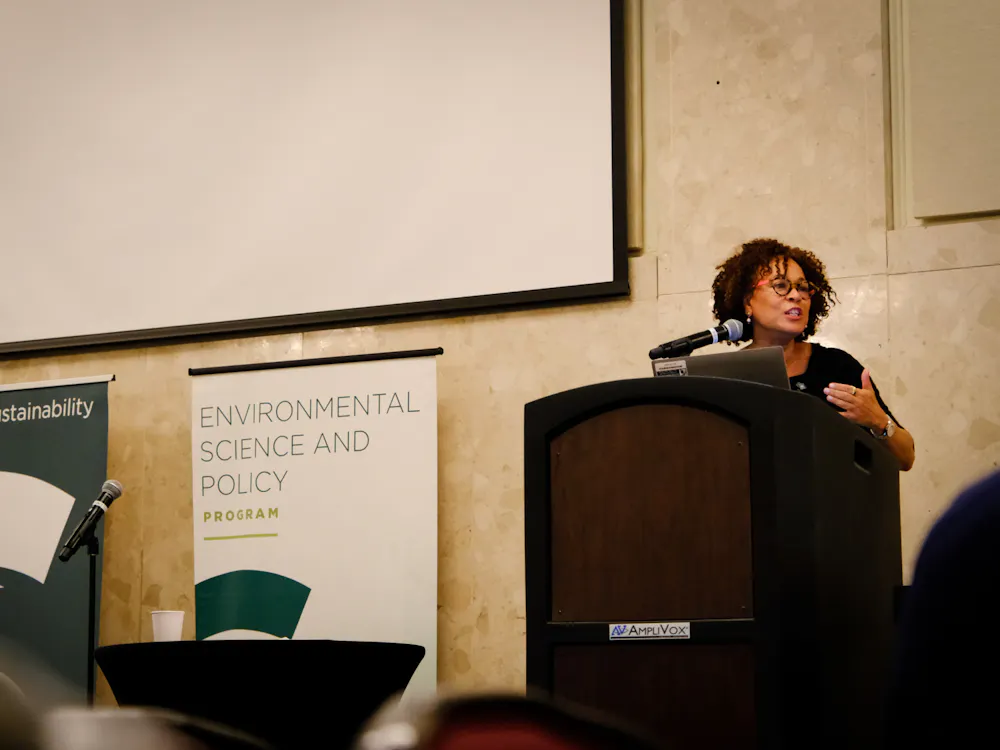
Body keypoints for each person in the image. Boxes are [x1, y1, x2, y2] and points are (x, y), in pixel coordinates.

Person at [711, 237, 915, 471]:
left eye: (802, 287)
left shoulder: (836, 366)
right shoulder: (727, 376)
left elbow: (906, 458)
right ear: (748, 301)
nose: (796, 295)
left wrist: (878, 420)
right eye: (781, 285)